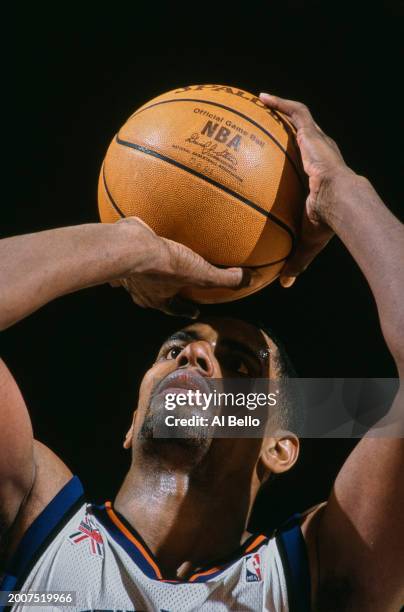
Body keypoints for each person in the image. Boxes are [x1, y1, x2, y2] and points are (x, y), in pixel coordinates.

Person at [0, 94, 403, 612]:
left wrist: (342, 192)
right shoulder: (34, 519)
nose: (195, 359)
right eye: (174, 349)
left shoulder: (314, 577)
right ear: (132, 421)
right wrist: (133, 245)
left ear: (279, 446)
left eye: (240, 365)